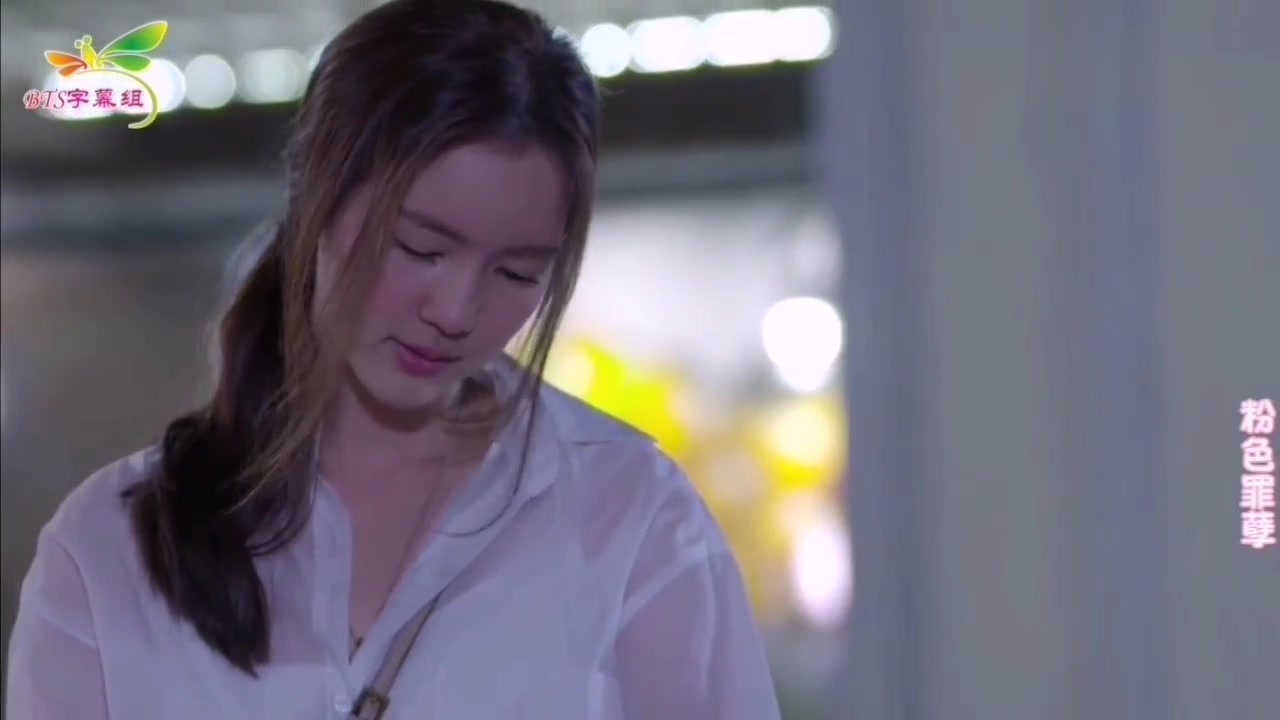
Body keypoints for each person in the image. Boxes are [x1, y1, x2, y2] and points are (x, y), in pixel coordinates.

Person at [5, 1, 782, 718]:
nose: (456, 311)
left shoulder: (634, 521)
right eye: (418, 248)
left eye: (517, 273)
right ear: (314, 199)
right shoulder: (108, 552)